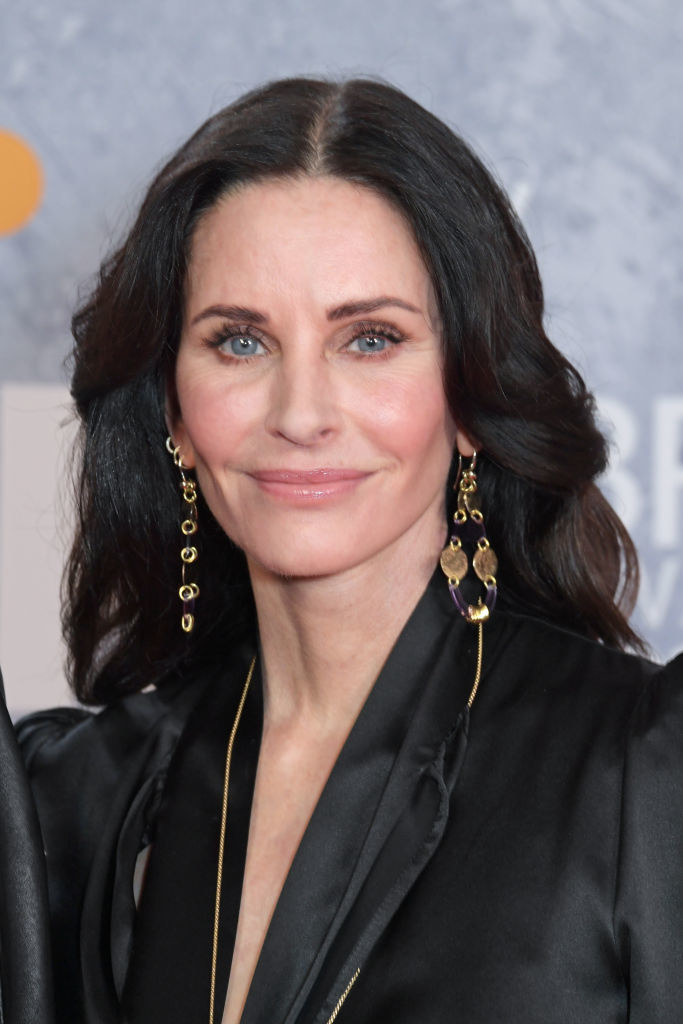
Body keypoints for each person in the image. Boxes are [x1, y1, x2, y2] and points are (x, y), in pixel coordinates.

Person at [17, 77, 683, 1024]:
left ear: (468, 399)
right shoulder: (72, 804)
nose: (299, 415)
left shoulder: (642, 782)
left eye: (369, 339)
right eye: (239, 342)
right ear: (172, 406)